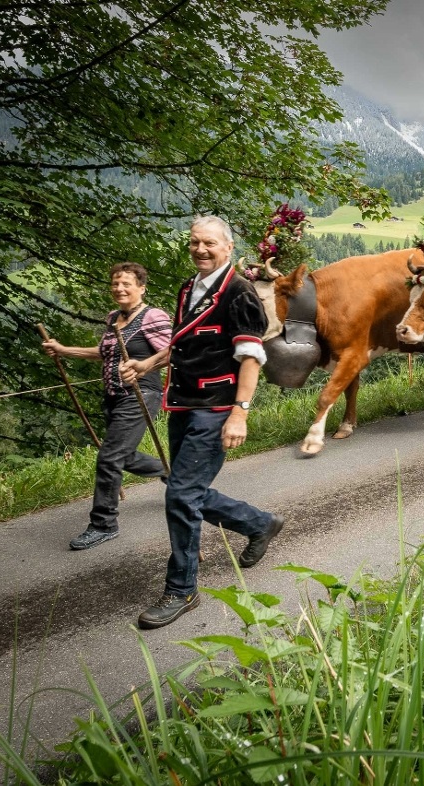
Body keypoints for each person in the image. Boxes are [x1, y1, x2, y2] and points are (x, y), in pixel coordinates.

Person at [121, 215, 284, 629]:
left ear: (228, 247)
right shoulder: (188, 288)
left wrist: (239, 414)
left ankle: (182, 589)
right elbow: (180, 342)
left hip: (216, 407)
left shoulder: (240, 294)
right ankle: (259, 523)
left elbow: (250, 358)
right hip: (182, 403)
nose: (200, 249)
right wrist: (147, 363)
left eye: (209, 243)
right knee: (186, 491)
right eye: (195, 242)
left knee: (180, 495)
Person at [42, 263, 172, 550]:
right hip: (113, 395)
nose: (119, 289)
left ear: (141, 287)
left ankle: (103, 524)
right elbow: (102, 353)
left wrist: (144, 366)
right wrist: (64, 350)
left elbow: (173, 350)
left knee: (109, 457)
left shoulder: (153, 317)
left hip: (141, 394)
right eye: (115, 284)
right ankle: (171, 474)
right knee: (121, 455)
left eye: (126, 283)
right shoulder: (113, 318)